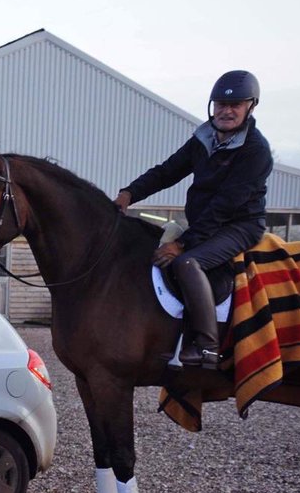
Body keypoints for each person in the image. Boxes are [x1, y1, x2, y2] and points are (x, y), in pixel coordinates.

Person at [115, 70, 273, 367]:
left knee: (187, 263)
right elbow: (167, 171)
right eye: (221, 104)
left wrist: (183, 245)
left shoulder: (256, 151)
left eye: (235, 105)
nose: (226, 111)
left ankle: (207, 345)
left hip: (238, 225)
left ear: (250, 107)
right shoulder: (204, 138)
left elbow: (224, 206)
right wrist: (129, 193)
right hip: (207, 223)